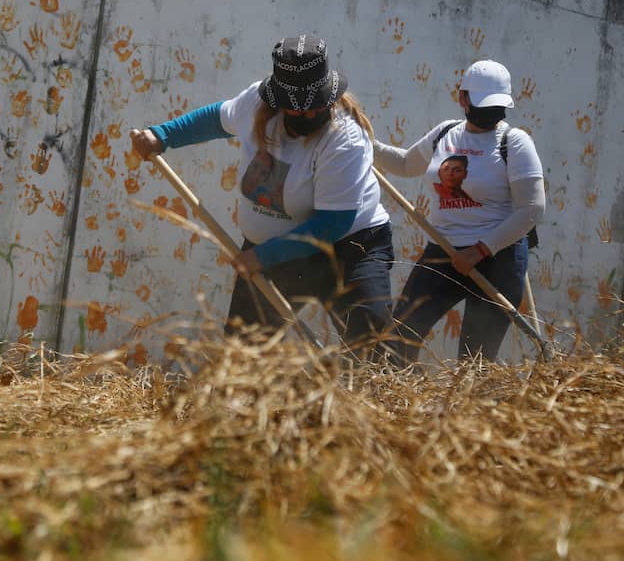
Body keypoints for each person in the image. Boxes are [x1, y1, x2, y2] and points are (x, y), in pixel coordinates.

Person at [131, 34, 395, 356]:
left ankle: (366, 401)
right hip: (273, 248)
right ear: (280, 104)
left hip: (349, 247)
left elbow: (332, 222)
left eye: (317, 105)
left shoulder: (345, 139)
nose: (311, 115)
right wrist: (163, 135)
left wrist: (263, 257)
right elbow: (217, 119)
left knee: (370, 344)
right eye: (301, 109)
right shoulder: (256, 104)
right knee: (243, 355)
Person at [373, 59, 545, 363]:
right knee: (397, 339)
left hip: (498, 258)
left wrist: (479, 250)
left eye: (497, 106)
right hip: (443, 250)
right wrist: (365, 143)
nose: (492, 113)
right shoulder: (446, 133)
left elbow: (531, 209)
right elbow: (404, 164)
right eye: (483, 104)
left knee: (475, 361)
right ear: (462, 98)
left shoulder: (515, 142)